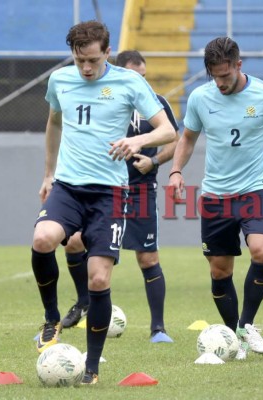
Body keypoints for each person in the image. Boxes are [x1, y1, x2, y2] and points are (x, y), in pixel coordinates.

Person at [31, 20, 176, 385]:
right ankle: (51, 317)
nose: (86, 68)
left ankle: (91, 369)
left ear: (108, 52)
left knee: (98, 279)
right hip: (67, 186)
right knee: (42, 239)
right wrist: (48, 174)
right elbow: (54, 122)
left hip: (110, 193)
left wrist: (138, 143)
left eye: (93, 60)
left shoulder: (130, 82)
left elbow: (168, 130)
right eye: (80, 60)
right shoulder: (60, 81)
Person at [168, 37, 263, 359]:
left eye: (225, 75)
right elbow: (187, 137)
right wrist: (175, 171)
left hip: (255, 190)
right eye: (215, 76)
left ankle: (246, 324)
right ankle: (236, 339)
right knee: (219, 272)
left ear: (239, 65)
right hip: (215, 196)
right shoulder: (200, 98)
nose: (221, 83)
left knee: (262, 251)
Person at [61, 50, 180, 344]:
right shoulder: (102, 98)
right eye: (134, 76)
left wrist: (153, 162)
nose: (140, 82)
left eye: (143, 76)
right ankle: (83, 301)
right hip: (103, 187)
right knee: (74, 243)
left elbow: (174, 139)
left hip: (140, 190)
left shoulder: (155, 104)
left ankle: (158, 328)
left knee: (148, 256)